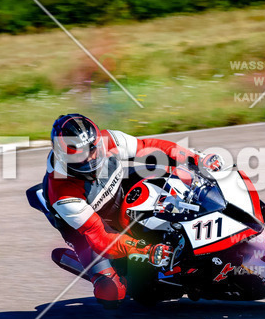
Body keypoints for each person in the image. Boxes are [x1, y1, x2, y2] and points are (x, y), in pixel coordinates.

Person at [41, 113, 222, 308]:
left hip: (120, 191)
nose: (91, 157)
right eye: (80, 155)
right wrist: (146, 250)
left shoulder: (108, 140)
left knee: (174, 179)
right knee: (111, 293)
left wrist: (196, 159)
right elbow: (100, 236)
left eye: (92, 149)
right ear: (64, 157)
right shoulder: (63, 193)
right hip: (89, 229)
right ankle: (89, 268)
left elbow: (148, 147)